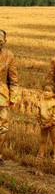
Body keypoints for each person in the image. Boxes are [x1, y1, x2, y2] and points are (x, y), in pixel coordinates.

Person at [0, 30, 18, 164]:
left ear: (5, 41)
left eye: (1, 39)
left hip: (2, 95)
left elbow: (13, 79)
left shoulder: (9, 56)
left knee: (2, 126)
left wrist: (13, 97)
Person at [37, 84, 55, 161]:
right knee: (43, 140)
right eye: (45, 90)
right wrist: (40, 123)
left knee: (54, 140)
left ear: (53, 94)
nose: (46, 92)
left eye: (48, 91)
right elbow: (38, 114)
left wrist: (49, 124)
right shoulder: (40, 102)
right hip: (43, 124)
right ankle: (41, 156)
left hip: (52, 125)